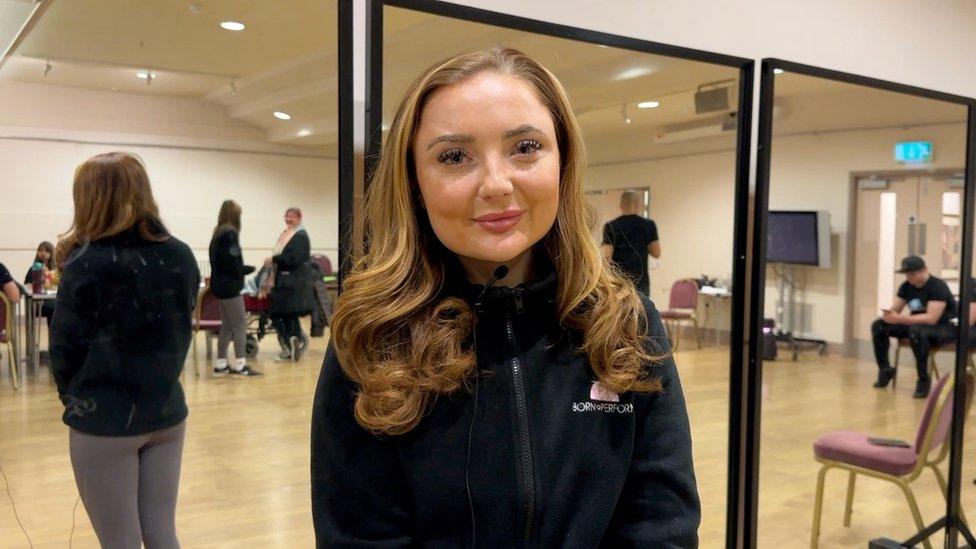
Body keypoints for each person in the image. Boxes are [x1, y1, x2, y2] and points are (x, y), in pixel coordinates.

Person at [311, 47, 699, 547]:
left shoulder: (627, 324)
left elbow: (661, 526)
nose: (496, 185)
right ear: (413, 181)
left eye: (525, 148)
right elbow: (359, 536)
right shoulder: (371, 338)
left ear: (564, 161)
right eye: (454, 156)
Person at [50, 152, 199, 549]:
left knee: (119, 542)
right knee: (162, 534)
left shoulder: (86, 264)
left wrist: (76, 400)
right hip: (167, 412)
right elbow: (184, 329)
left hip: (103, 419)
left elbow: (64, 351)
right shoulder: (182, 255)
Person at [871, 255, 956, 398]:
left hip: (942, 328)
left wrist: (899, 318)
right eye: (907, 274)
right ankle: (885, 369)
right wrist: (889, 316)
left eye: (912, 273)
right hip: (916, 325)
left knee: (917, 331)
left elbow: (931, 318)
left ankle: (923, 379)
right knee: (879, 326)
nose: (909, 277)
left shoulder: (938, 287)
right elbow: (895, 310)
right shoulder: (906, 286)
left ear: (923, 270)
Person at [209, 200, 260, 376]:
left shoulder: (217, 233)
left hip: (219, 287)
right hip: (230, 287)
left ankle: (221, 364)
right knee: (240, 325)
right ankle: (240, 365)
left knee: (227, 326)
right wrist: (247, 270)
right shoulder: (230, 233)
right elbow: (232, 263)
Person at [264, 207, 311, 362]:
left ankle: (289, 343)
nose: (288, 219)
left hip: (291, 284)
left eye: (291, 217)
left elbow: (294, 259)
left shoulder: (299, 236)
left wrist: (275, 259)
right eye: (287, 216)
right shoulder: (290, 234)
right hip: (286, 282)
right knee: (290, 316)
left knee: (276, 313)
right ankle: (292, 343)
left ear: (299, 218)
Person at [601, 191, 660, 295]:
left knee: (621, 311)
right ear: (638, 205)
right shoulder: (648, 225)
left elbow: (606, 256)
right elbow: (656, 252)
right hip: (641, 282)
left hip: (618, 283)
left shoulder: (611, 226)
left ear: (621, 206)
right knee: (642, 310)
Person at [24, 241, 57, 358]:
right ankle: (31, 348)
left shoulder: (55, 270)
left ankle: (53, 347)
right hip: (35, 304)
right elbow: (26, 285)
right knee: (31, 311)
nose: (43, 253)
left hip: (50, 303)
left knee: (54, 311)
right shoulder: (33, 269)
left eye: (47, 251)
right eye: (41, 250)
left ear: (51, 253)